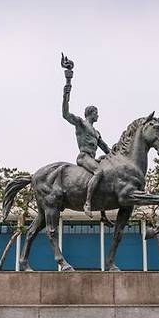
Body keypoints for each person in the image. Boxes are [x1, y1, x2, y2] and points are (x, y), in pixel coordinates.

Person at [61, 53, 111, 217]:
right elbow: (66, 114)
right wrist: (67, 87)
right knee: (99, 173)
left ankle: (103, 212)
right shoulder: (81, 123)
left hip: (94, 158)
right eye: (97, 113)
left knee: (108, 172)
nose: (99, 115)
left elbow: (106, 149)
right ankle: (88, 203)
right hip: (84, 157)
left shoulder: (97, 132)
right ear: (91, 113)